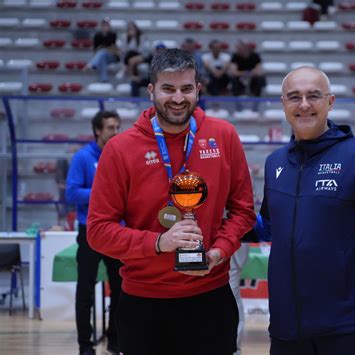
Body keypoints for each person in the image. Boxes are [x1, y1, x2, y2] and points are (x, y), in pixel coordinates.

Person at [86, 48, 256, 355]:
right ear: (151, 90)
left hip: (212, 296)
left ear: (198, 89)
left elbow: (243, 210)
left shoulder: (224, 135)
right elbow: (98, 231)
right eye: (168, 89)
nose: (178, 98)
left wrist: (219, 251)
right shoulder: (120, 149)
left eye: (186, 89)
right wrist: (158, 243)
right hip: (143, 303)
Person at [253, 67, 355, 355]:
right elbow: (268, 227)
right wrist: (216, 221)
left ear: (331, 102)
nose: (304, 105)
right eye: (294, 97)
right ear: (283, 104)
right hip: (287, 329)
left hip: (347, 329)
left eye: (314, 96)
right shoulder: (275, 163)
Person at [65, 110, 122, 355]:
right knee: (85, 290)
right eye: (110, 127)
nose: (115, 132)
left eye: (117, 127)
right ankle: (85, 345)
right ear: (97, 130)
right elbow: (71, 193)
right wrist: (101, 192)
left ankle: (115, 339)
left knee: (121, 288)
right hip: (89, 231)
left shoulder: (120, 156)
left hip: (117, 232)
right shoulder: (83, 157)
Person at [85, 17, 120, 82]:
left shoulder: (113, 34)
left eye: (107, 25)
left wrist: (103, 46)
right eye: (104, 25)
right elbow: (95, 48)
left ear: (110, 26)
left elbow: (110, 45)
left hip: (112, 56)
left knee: (103, 51)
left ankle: (91, 64)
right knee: (102, 57)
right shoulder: (97, 35)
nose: (105, 27)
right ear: (101, 26)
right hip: (102, 56)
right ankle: (104, 79)